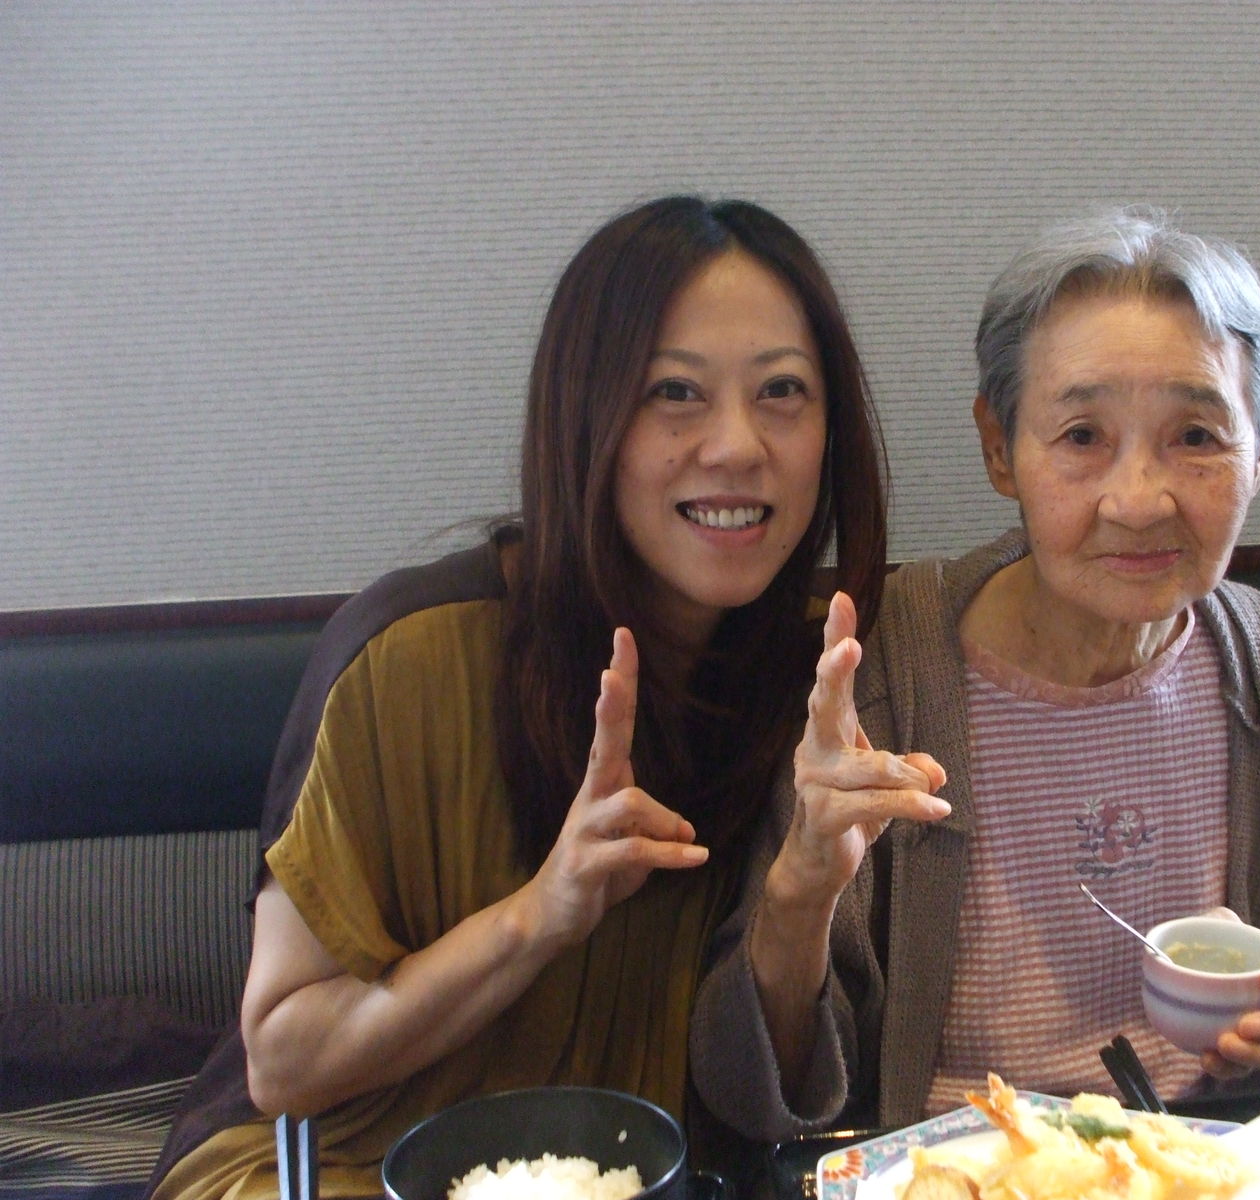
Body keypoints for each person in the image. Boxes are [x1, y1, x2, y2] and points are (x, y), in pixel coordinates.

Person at [146, 195, 889, 1199]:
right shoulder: (410, 659)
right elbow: (283, 1062)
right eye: (673, 391)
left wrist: (800, 897)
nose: (736, 445)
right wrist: (542, 913)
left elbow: (767, 1105)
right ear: (584, 417)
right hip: (345, 1169)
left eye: (782, 391)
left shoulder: (812, 679)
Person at [690, 206, 1260, 1140]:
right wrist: (801, 890)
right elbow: (748, 1096)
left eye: (1197, 437)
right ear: (1000, 447)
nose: (1138, 501)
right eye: (1081, 436)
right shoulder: (877, 677)